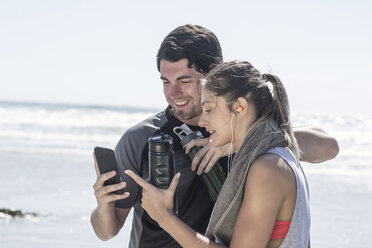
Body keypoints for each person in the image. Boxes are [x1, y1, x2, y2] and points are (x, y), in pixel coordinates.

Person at [91, 24, 338, 248]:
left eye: (185, 81)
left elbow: (328, 147)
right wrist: (103, 208)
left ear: (214, 75)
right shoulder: (141, 139)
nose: (173, 92)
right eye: (166, 81)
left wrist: (236, 144)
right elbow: (107, 231)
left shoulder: (240, 133)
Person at [126, 60, 311, 247]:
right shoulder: (282, 153)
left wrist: (164, 217)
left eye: (209, 109)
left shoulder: (267, 168)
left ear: (240, 107)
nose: (204, 121)